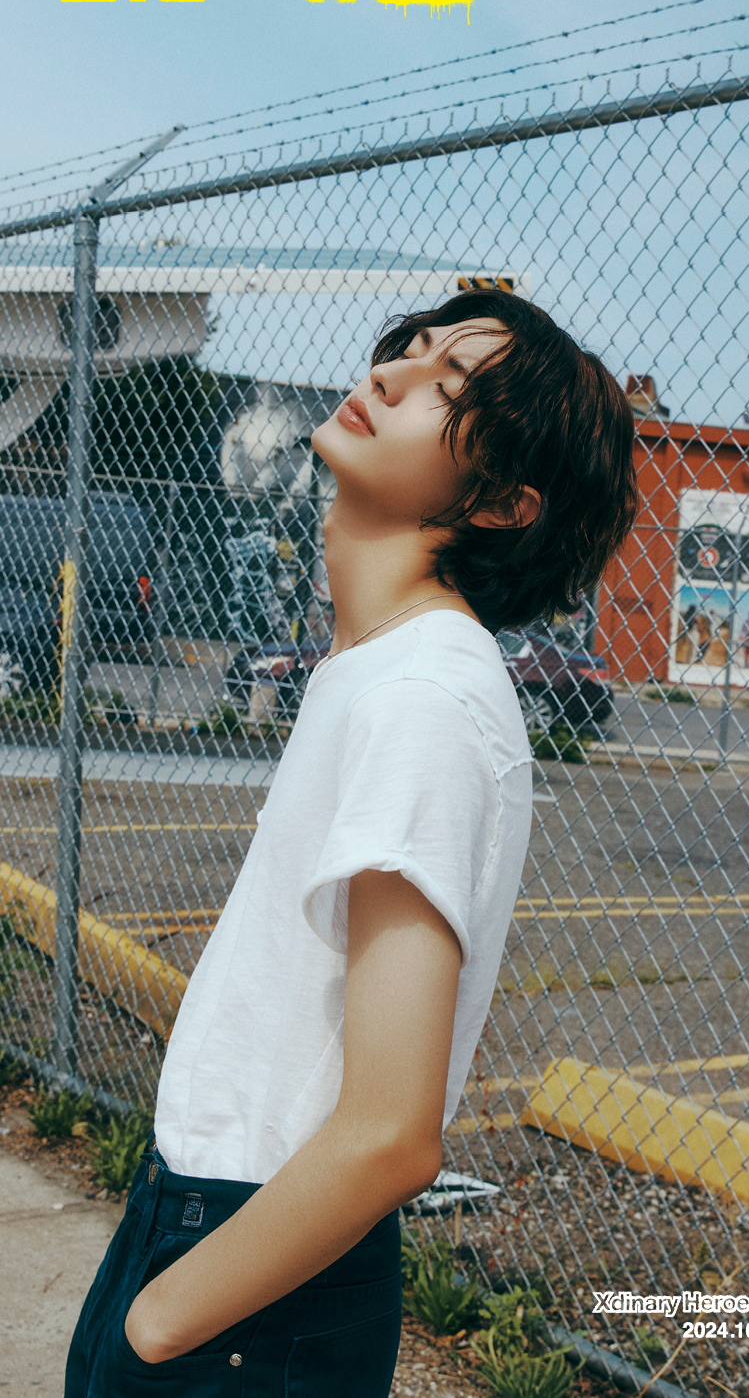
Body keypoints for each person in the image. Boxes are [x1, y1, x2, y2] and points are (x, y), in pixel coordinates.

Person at [64, 287, 639, 1397]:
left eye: (447, 384)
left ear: (504, 503)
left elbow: (390, 1133)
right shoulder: (377, 667)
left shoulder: (425, 697)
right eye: (409, 348)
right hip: (211, 1227)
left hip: (251, 1291)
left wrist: (161, 1323)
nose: (390, 372)